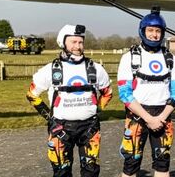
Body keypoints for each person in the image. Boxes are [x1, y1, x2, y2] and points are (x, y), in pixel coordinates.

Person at [26, 24, 112, 177]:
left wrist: (96, 110)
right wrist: (50, 119)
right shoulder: (50, 69)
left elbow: (107, 93)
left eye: (80, 42)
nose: (78, 46)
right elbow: (31, 95)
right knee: (61, 173)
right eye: (73, 42)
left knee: (91, 172)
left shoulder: (96, 68)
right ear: (63, 43)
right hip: (60, 129)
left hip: (90, 128)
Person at [117, 8, 175, 177]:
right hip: (137, 116)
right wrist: (148, 118)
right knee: (131, 164)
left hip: (163, 116)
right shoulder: (129, 57)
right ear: (143, 31)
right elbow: (125, 93)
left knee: (162, 165)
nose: (154, 35)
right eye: (151, 30)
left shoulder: (170, 58)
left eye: (158, 31)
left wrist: (160, 118)